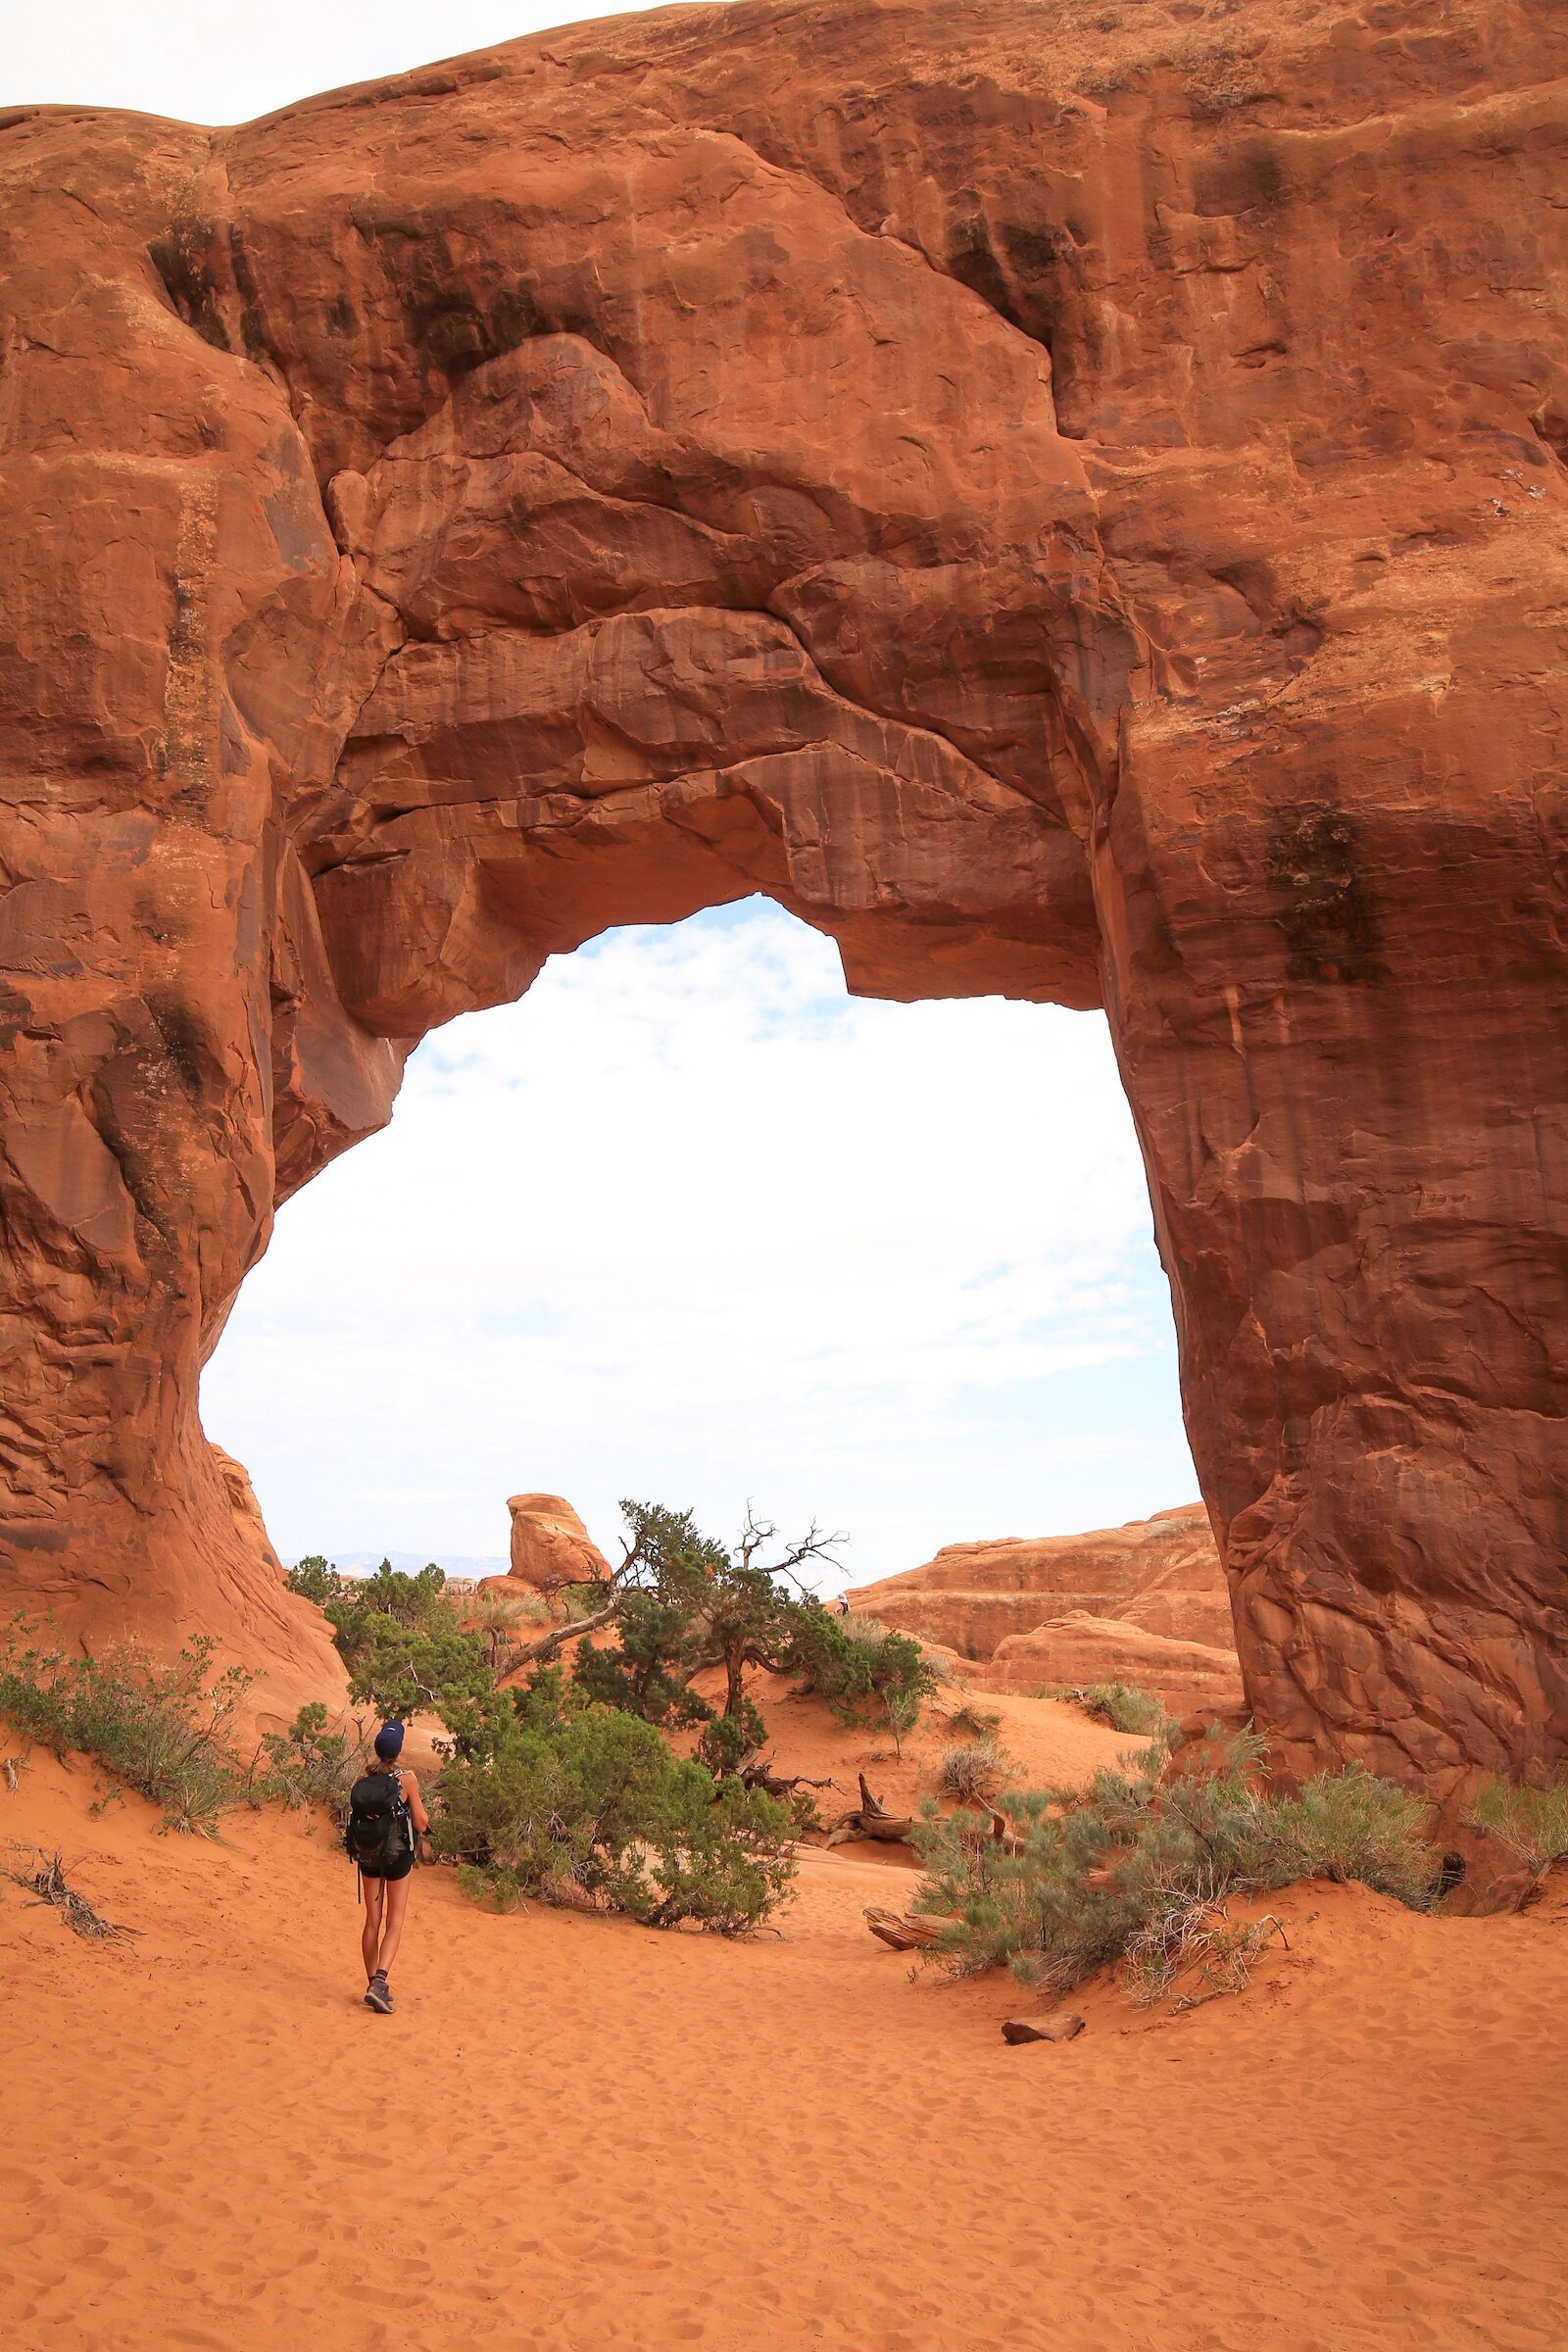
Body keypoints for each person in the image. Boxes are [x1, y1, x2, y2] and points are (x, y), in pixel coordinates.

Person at [349, 1720, 429, 2014]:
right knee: (394, 1921)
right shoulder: (406, 1779)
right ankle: (380, 1983)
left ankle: (371, 1981)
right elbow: (420, 1822)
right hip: (397, 1857)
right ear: (399, 1750)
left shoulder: (362, 1780)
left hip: (368, 1856)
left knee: (372, 1921)